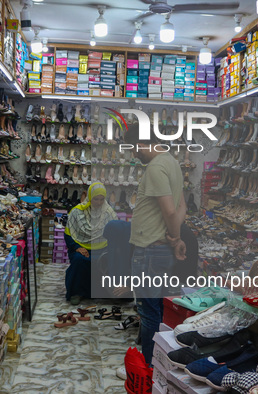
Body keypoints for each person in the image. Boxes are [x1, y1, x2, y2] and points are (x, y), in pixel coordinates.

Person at [124, 125, 187, 365]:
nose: (134, 156)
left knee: (148, 313)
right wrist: (176, 237)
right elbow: (182, 208)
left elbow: (171, 211)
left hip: (150, 250)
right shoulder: (172, 163)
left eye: (133, 150)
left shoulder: (155, 167)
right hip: (160, 249)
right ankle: (159, 366)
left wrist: (174, 236)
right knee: (158, 311)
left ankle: (149, 368)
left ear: (140, 144)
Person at [64, 182, 117, 305]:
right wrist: (77, 247)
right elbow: (68, 234)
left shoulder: (109, 213)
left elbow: (115, 234)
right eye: (95, 199)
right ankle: (76, 292)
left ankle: (105, 292)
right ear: (90, 197)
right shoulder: (77, 212)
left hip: (102, 248)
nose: (99, 202)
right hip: (81, 248)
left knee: (109, 259)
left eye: (101, 199)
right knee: (79, 260)